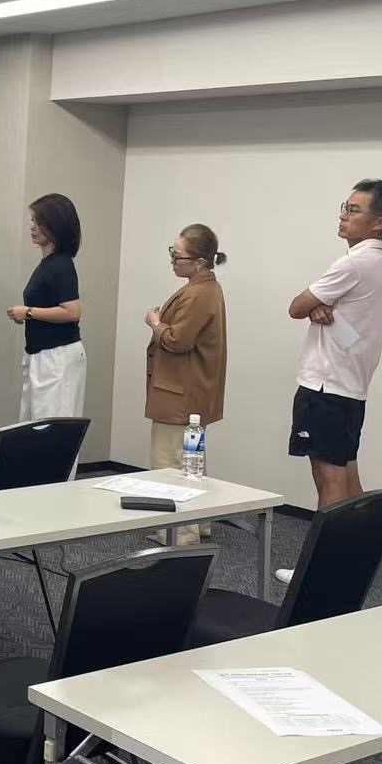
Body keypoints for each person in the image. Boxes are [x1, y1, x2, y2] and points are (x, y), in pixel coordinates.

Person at [285, 179, 382, 524]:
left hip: (326, 386)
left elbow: (296, 307)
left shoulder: (352, 264)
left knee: (330, 482)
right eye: (345, 208)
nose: (343, 216)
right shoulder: (378, 262)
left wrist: (315, 306)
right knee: (348, 477)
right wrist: (320, 308)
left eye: (354, 210)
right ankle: (356, 552)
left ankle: (327, 558)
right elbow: (324, 313)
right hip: (349, 387)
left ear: (380, 222)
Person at [144, 224, 229, 544]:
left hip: (179, 393)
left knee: (169, 463)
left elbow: (177, 341)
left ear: (199, 262)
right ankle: (196, 524)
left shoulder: (197, 293)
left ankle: (179, 532)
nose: (172, 261)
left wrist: (155, 323)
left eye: (177, 256)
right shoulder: (206, 288)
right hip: (190, 391)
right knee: (191, 462)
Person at [9, 193, 86, 421]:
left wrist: (28, 312)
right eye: (33, 220)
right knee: (34, 423)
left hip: (57, 355)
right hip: (41, 354)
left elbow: (72, 312)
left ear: (56, 226)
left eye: (39, 221)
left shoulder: (61, 264)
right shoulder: (47, 264)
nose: (32, 226)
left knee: (53, 426)